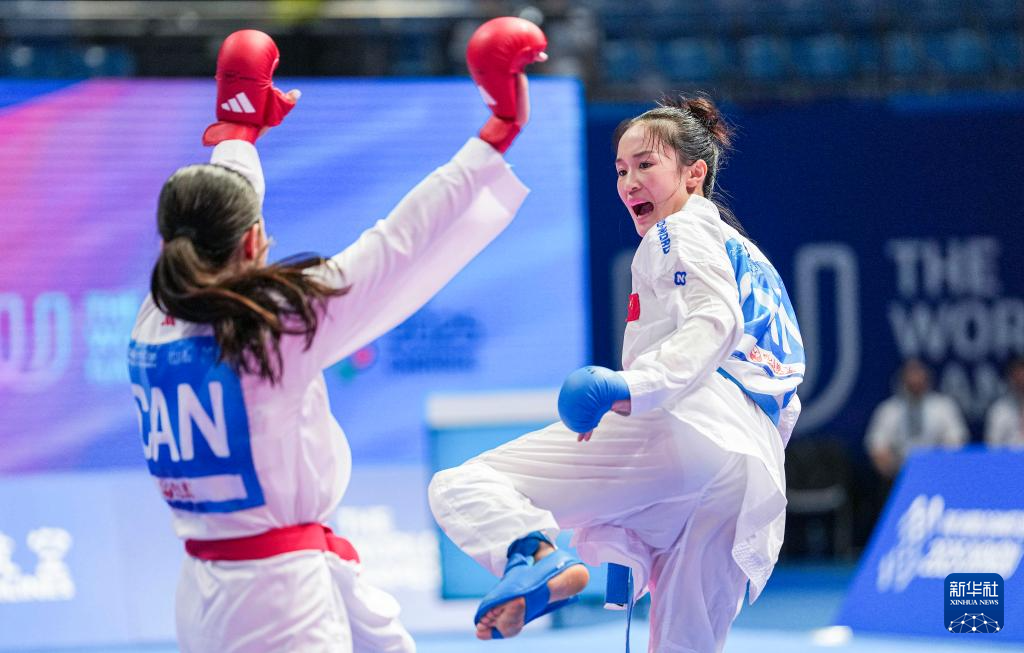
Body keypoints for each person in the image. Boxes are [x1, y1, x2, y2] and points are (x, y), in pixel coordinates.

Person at [127, 22, 546, 653]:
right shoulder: (271, 324)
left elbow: (221, 213)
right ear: (252, 239)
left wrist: (238, 131)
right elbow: (397, 245)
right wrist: (496, 135)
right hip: (279, 599)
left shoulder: (154, 318)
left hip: (215, 586)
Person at [429, 95, 805, 652]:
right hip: (750, 472)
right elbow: (784, 394)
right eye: (621, 170)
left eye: (646, 165)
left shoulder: (678, 231)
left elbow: (714, 320)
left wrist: (633, 387)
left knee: (462, 486)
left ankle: (537, 556)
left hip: (691, 426)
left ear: (694, 174)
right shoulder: (750, 256)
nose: (629, 182)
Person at [865, 358, 968, 480]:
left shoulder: (944, 406)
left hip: (939, 471)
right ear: (902, 382)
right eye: (911, 382)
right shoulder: (888, 410)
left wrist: (939, 466)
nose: (915, 384)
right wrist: (895, 472)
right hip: (899, 474)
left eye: (919, 380)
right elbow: (877, 445)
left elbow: (956, 440)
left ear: (927, 381)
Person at [984, 357, 1024, 447]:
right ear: (1011, 380)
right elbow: (992, 446)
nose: (1021, 384)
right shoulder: (999, 409)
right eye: (1018, 380)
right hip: (1008, 455)